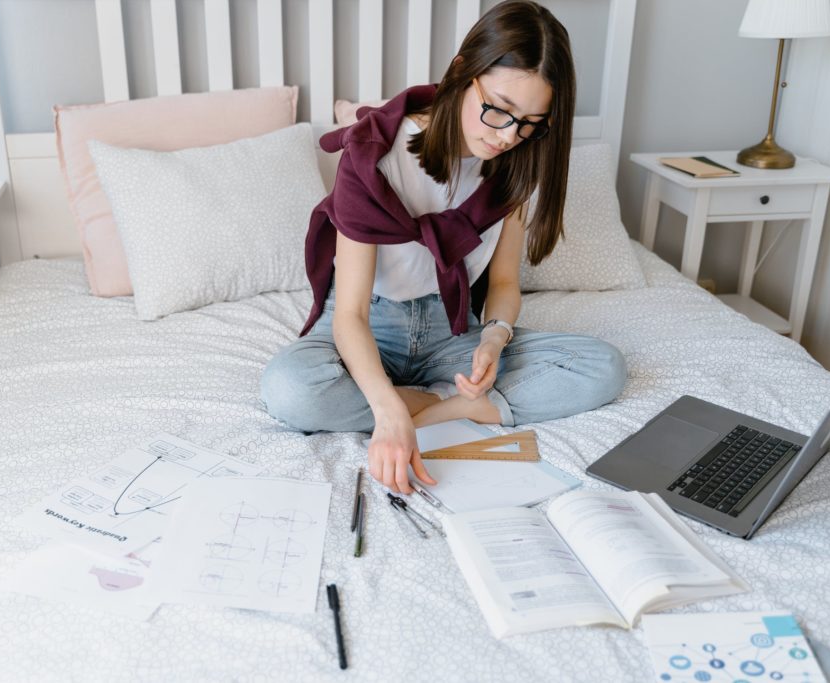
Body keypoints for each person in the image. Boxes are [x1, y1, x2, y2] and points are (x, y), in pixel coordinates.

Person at [261, 0, 626, 494]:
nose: (507, 136)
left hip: (450, 329)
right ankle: (435, 407)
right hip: (369, 326)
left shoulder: (516, 164)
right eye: (499, 109)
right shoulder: (376, 157)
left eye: (530, 124)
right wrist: (390, 413)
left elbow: (501, 284)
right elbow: (348, 315)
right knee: (290, 389)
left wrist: (494, 339)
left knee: (601, 367)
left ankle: (446, 407)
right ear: (462, 71)